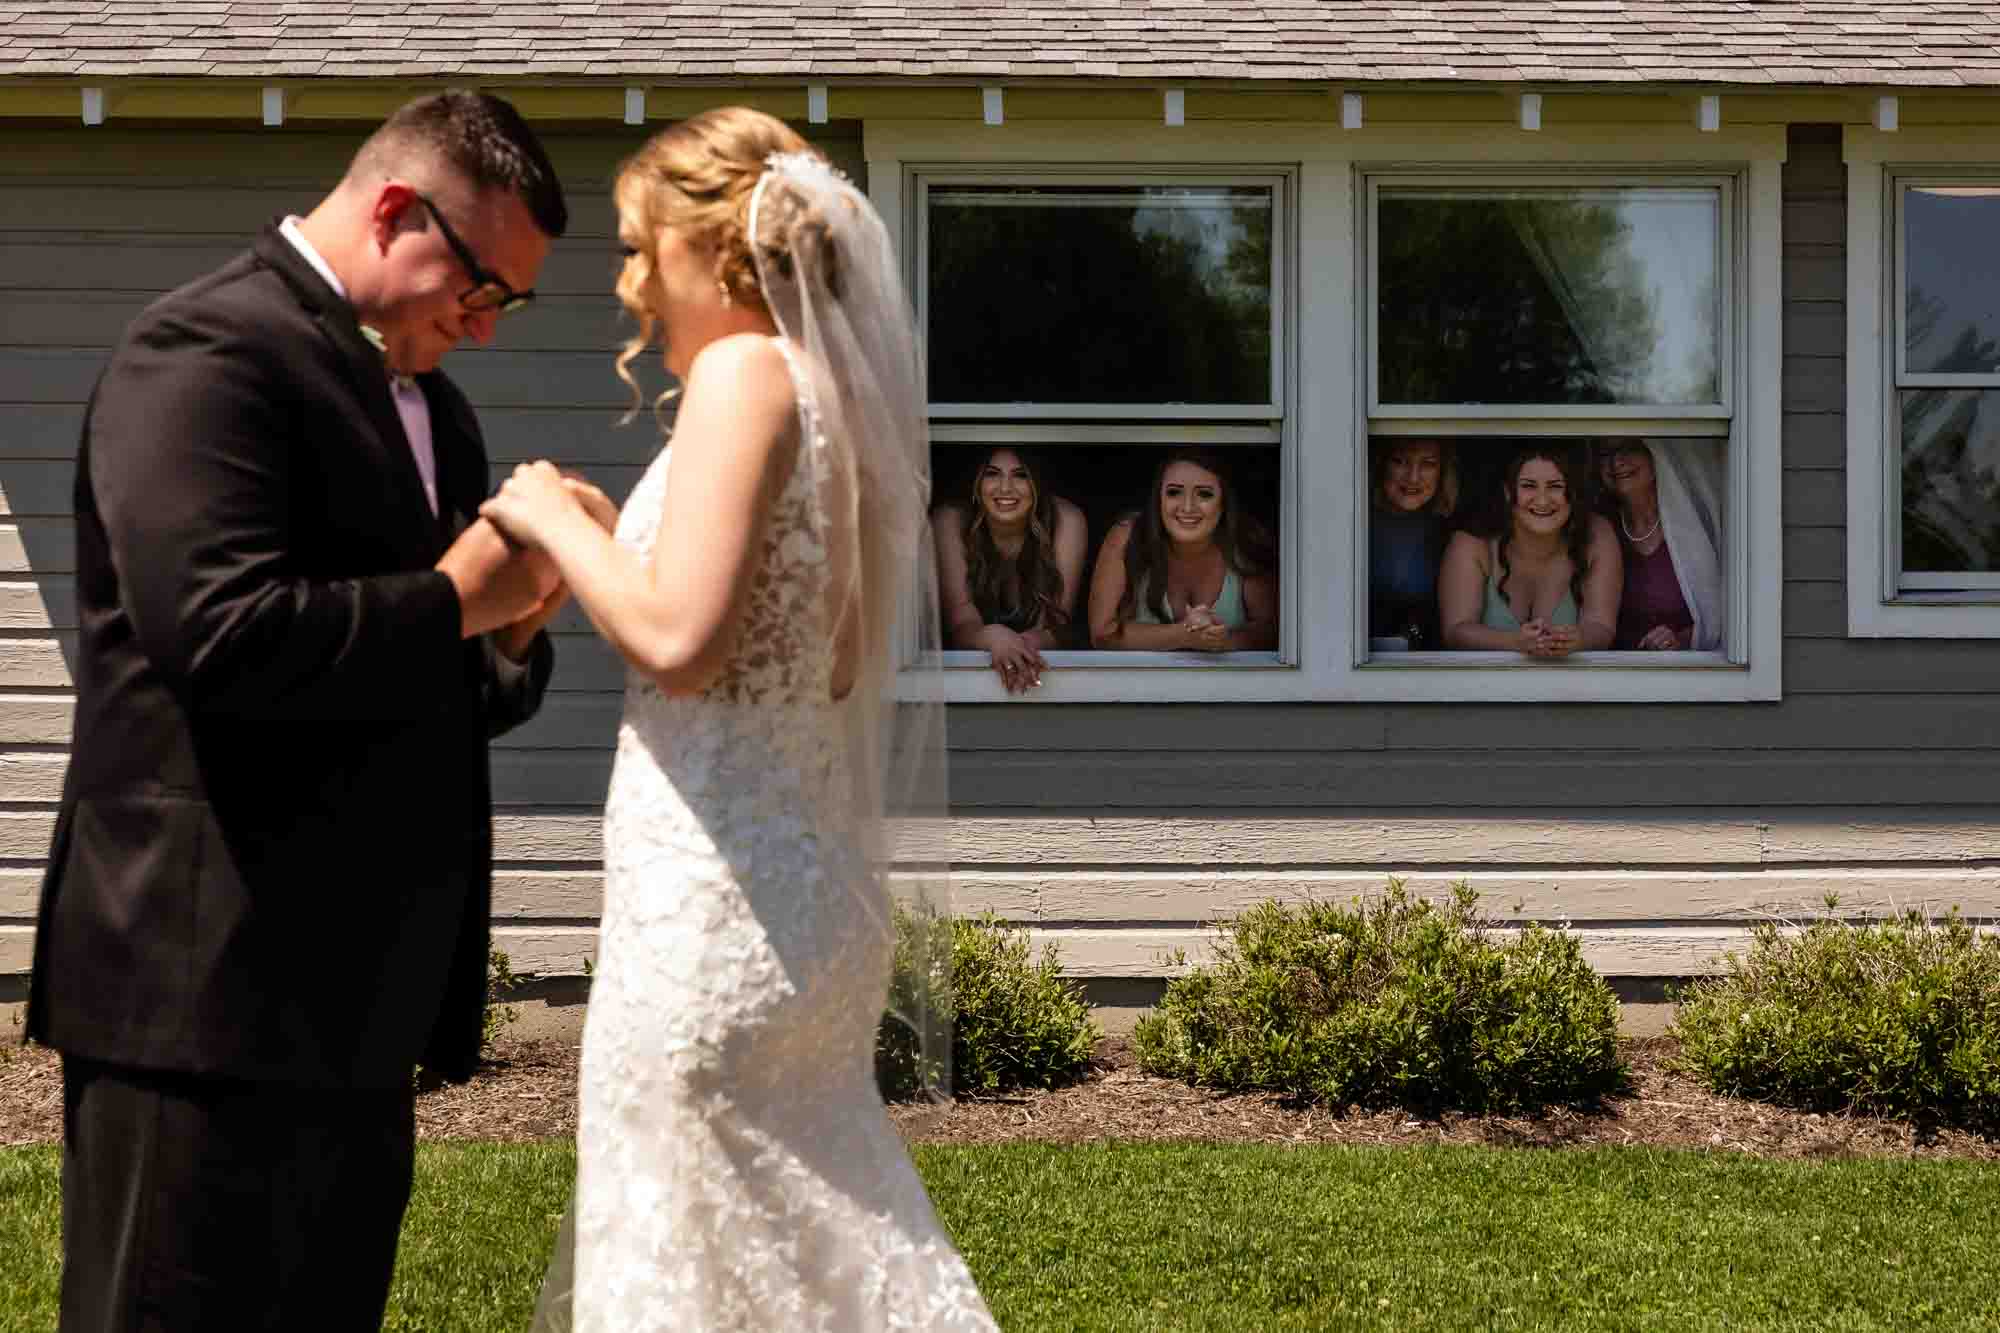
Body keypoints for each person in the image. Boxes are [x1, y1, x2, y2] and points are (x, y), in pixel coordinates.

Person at [23, 91, 571, 1330]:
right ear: (394, 210)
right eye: (480, 290)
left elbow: (405, 683)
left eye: (505, 307)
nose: (480, 331)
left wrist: (506, 638)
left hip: (355, 1005)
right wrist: (451, 603)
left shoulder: (439, 409)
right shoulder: (204, 353)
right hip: (197, 993)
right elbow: (216, 638)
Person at [475, 108, 995, 1330]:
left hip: (710, 902)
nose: (630, 282)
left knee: (694, 1248)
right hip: (800, 904)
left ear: (715, 251)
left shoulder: (743, 374)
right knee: (811, 1241)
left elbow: (679, 643)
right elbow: (794, 651)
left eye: (639, 246)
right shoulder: (831, 401)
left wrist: (550, 522)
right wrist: (613, 549)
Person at [1087, 448, 1279, 652]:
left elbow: (1272, 633)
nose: (1187, 507)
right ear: (1158, 499)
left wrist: (1222, 640)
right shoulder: (1127, 536)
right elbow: (1102, 634)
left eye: (1204, 494)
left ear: (1224, 503)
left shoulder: (1246, 540)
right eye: (1174, 492)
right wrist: (1185, 636)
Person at [1439, 445, 1621, 657]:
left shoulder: (1597, 534)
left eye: (1555, 486)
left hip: (1572, 687)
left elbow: (1601, 627)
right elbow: (1456, 631)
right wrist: (1516, 642)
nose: (1542, 500)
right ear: (1508, 492)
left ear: (1573, 493)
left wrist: (1576, 640)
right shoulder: (1472, 543)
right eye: (1528, 486)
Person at [933, 446, 1086, 692]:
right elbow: (961, 622)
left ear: (1038, 483)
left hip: (1044, 678)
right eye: (992, 474)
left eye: (1021, 475)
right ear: (976, 482)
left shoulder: (1065, 519)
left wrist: (1021, 646)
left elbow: (1059, 625)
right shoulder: (950, 520)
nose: (1005, 488)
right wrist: (994, 637)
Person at [1598, 440, 1727, 651]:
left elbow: (1718, 614)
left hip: (1685, 669)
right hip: (1613, 669)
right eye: (1605, 453)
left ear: (1657, 456)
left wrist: (1680, 640)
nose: (1616, 462)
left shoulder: (1693, 525)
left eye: (1629, 449)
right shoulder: (1600, 527)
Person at [1368, 437, 1458, 650]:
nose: (1413, 477)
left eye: (1428, 464)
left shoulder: (1451, 530)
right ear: (1381, 465)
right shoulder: (1354, 524)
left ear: (1442, 472)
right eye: (1399, 461)